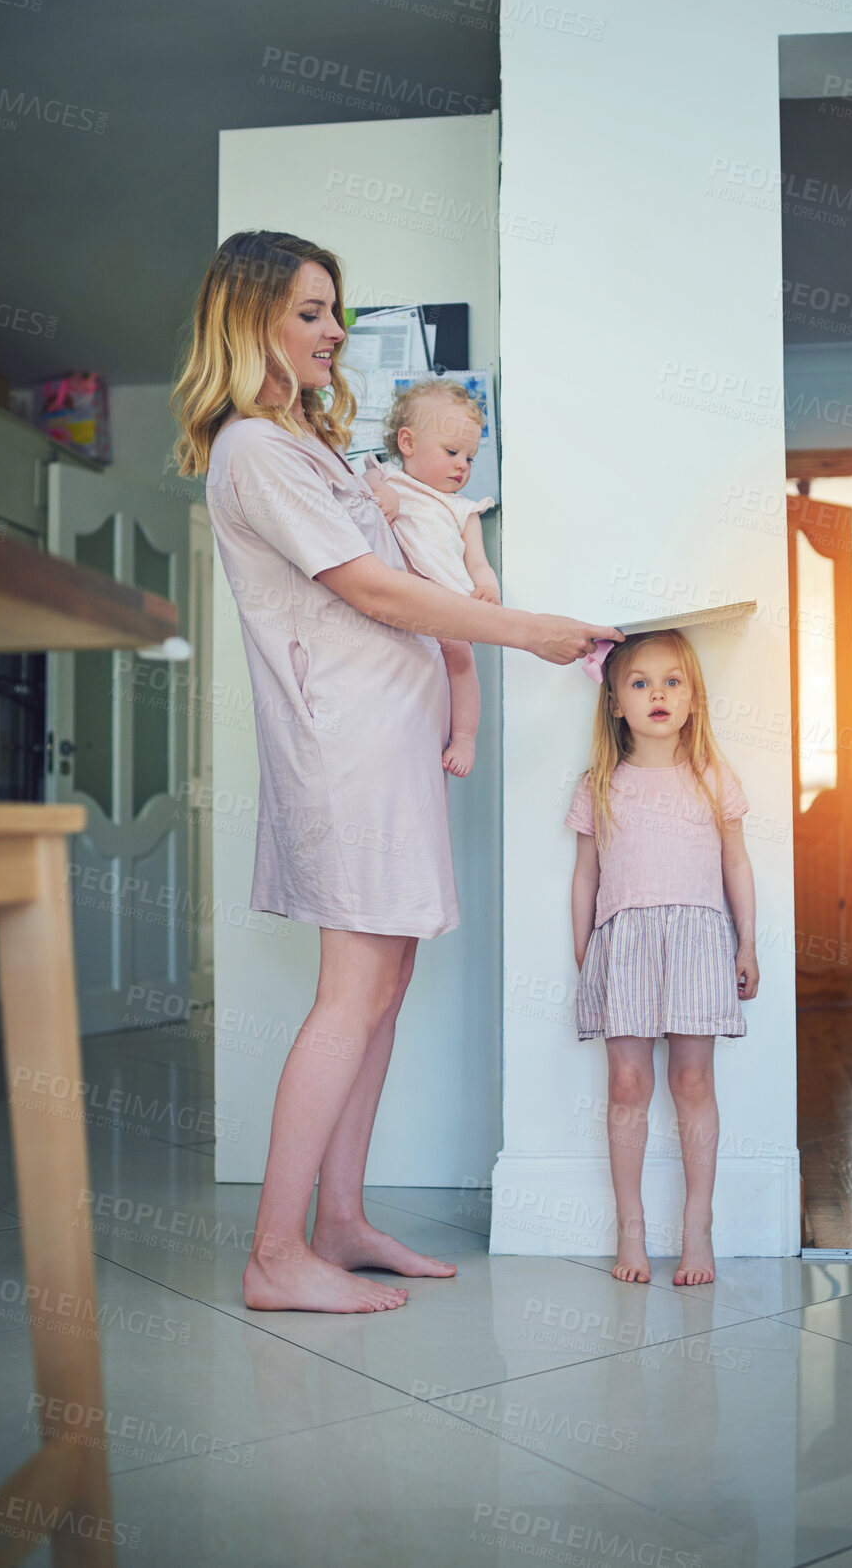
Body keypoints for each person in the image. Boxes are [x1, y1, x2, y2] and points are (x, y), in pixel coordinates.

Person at [172, 229, 621, 1315]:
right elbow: (373, 593)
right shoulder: (257, 452)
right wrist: (528, 631)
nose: (335, 332)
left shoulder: (308, 444)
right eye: (313, 311)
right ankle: (277, 1255)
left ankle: (341, 1221)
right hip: (348, 752)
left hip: (387, 746)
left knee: (386, 987)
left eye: (335, 310)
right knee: (354, 992)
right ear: (251, 321)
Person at [565, 630, 759, 1288]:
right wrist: (584, 950)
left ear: (693, 697)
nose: (657, 694)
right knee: (626, 1083)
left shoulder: (711, 776)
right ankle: (631, 1228)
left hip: (700, 939)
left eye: (672, 681)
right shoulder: (600, 783)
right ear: (615, 700)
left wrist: (747, 940)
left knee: (692, 1081)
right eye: (640, 682)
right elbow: (585, 875)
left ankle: (697, 1226)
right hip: (623, 945)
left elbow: (736, 860)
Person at [363, 377, 497, 778]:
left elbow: (478, 563)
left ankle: (465, 736)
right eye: (453, 451)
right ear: (408, 443)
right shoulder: (387, 479)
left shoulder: (464, 510)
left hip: (449, 608)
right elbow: (365, 486)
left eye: (470, 458)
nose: (462, 465)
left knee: (461, 664)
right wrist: (382, 493)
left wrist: (487, 586)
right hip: (400, 607)